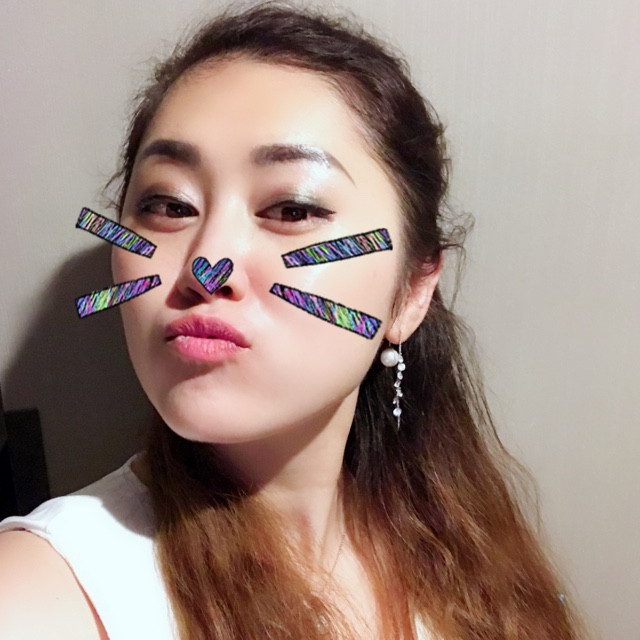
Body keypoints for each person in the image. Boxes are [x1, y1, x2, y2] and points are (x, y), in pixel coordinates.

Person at [0, 3, 589, 639]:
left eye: (292, 209)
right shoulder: (40, 596)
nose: (206, 266)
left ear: (412, 292)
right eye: (168, 204)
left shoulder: (463, 548)